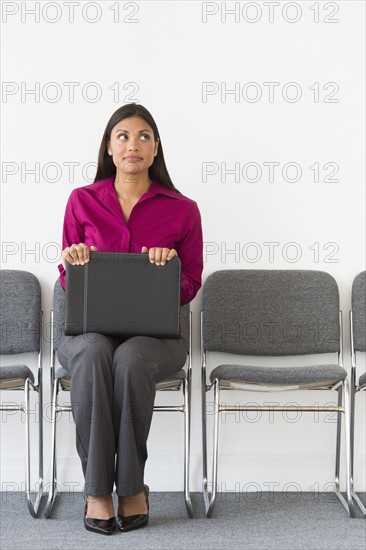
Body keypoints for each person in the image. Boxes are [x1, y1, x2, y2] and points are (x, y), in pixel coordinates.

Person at [57, 103, 203, 535]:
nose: (133, 145)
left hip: (154, 336)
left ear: (156, 149)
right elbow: (67, 279)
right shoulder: (81, 201)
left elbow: (191, 283)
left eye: (143, 136)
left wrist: (167, 268)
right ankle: (98, 491)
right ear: (108, 147)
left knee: (130, 359)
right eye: (122, 136)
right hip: (89, 330)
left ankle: (132, 488)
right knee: (91, 353)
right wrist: (76, 261)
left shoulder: (183, 209)